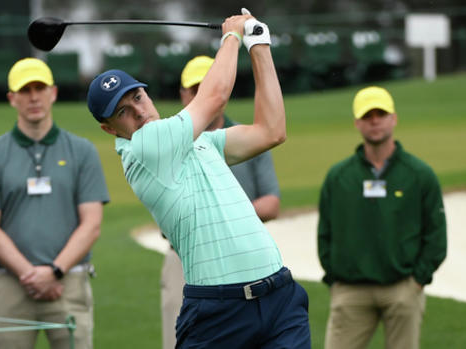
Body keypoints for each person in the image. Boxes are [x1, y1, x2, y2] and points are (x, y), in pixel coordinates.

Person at [87, 9, 310, 348]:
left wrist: (260, 45)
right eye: (123, 112)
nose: (138, 111)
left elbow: (271, 131)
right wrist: (233, 36)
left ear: (147, 93)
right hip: (219, 311)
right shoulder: (143, 147)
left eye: (137, 97)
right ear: (110, 129)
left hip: (279, 296)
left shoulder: (201, 140)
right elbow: (214, 98)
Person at [0, 57, 110, 349]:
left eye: (40, 88)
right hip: (11, 284)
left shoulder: (82, 151)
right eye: (25, 90)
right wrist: (29, 274)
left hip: (68, 280)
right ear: (12, 98)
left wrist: (54, 271)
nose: (33, 96)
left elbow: (92, 224)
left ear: (54, 93)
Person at [160, 55, 282, 349]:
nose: (205, 94)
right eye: (196, 88)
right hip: (186, 261)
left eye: (210, 86)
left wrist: (223, 213)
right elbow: (168, 222)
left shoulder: (248, 135)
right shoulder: (168, 141)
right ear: (184, 94)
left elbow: (271, 203)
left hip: (245, 261)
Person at [317, 86, 447, 349]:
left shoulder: (419, 174)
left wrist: (418, 280)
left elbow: (436, 234)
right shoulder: (338, 177)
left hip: (403, 289)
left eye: (381, 113)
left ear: (394, 118)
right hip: (350, 291)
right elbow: (325, 233)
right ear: (357, 123)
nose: (374, 120)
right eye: (367, 116)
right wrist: (334, 278)